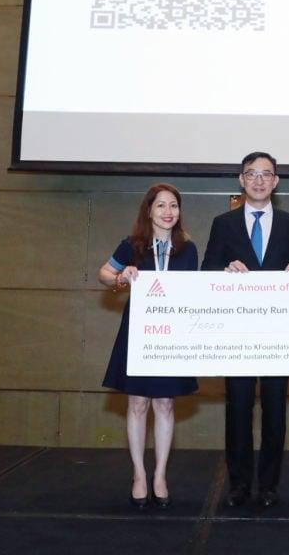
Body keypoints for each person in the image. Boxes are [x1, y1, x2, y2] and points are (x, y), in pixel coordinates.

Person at [202, 152, 289, 509]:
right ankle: (238, 485)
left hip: (279, 335)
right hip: (238, 335)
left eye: (266, 174)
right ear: (241, 180)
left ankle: (268, 486)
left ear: (276, 181)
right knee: (237, 410)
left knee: (276, 412)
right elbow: (206, 272)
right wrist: (224, 273)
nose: (259, 180)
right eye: (252, 174)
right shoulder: (223, 223)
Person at [98, 183, 199, 510]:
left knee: (165, 404)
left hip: (172, 334)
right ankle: (139, 474)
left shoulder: (188, 249)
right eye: (161, 206)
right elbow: (103, 274)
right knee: (138, 403)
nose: (168, 212)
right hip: (139, 332)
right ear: (149, 210)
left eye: (174, 206)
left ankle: (160, 476)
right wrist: (121, 277)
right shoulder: (132, 246)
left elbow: (195, 290)